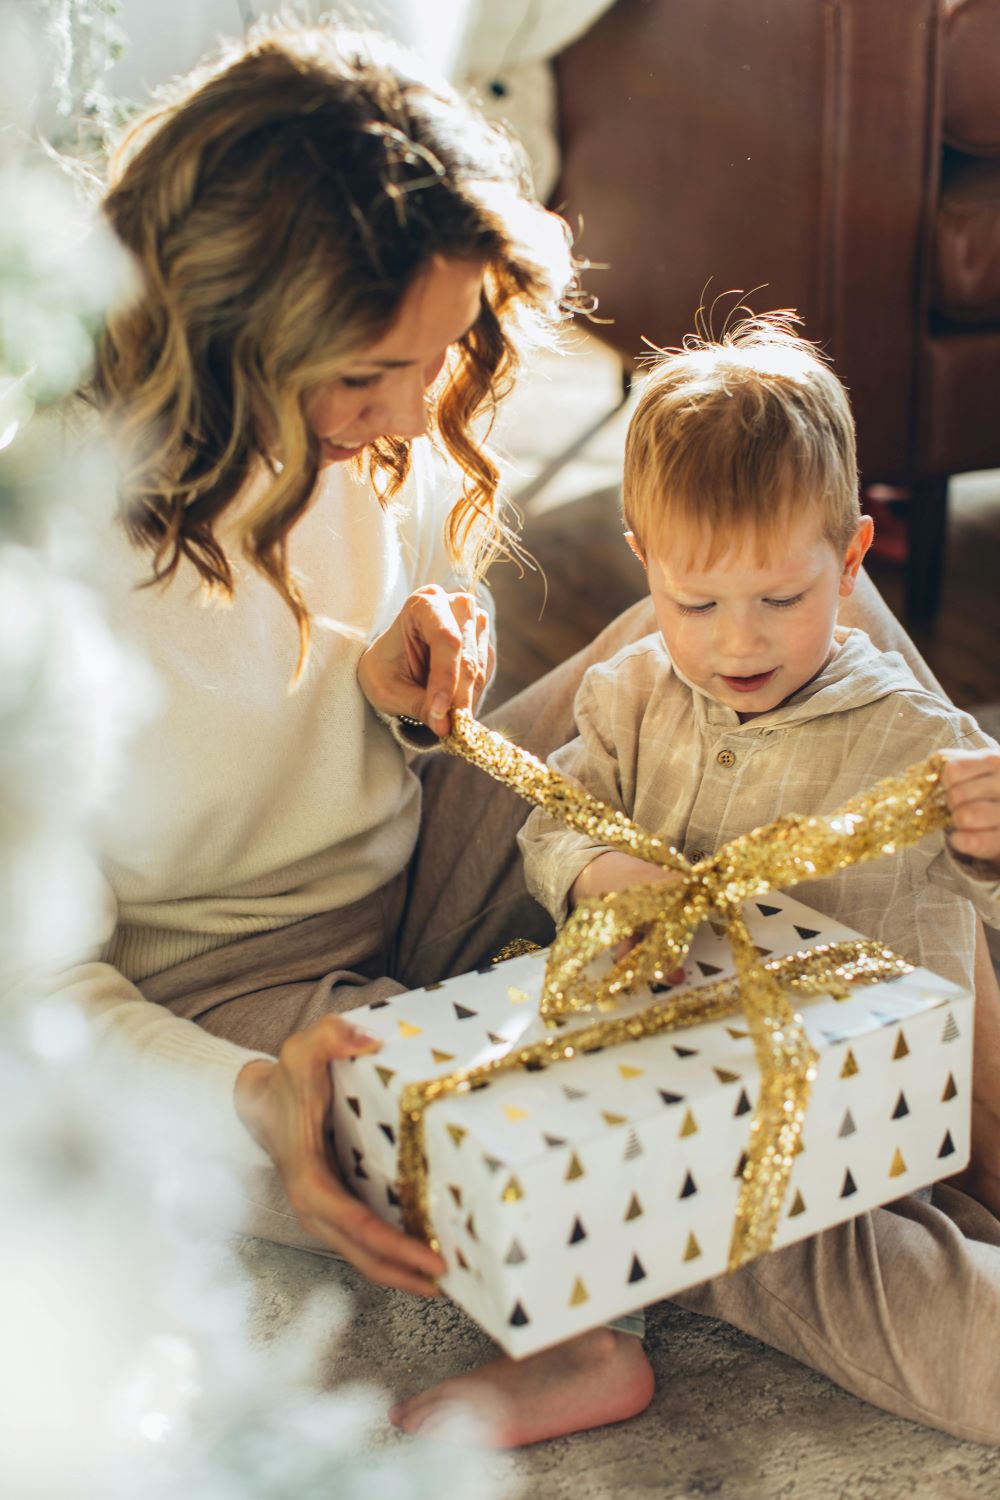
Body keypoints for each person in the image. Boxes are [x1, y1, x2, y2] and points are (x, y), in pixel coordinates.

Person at [61, 20, 1000, 1449]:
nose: (410, 414)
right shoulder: (46, 556)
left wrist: (408, 692)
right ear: (220, 325)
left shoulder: (379, 411)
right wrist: (251, 1102)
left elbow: (346, 677)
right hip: (240, 1001)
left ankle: (974, 1081)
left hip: (438, 847)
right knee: (725, 1167)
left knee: (785, 610)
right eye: (369, 375)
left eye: (430, 363)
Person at [390, 317, 1000, 1447]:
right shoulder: (627, 694)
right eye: (695, 602)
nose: (735, 643)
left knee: (932, 1325)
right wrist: (596, 870)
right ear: (642, 562)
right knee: (493, 1151)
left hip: (841, 1134)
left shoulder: (920, 737)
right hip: (652, 1085)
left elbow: (983, 922)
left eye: (780, 599)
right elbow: (551, 821)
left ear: (852, 559)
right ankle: (584, 1349)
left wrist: (988, 844)